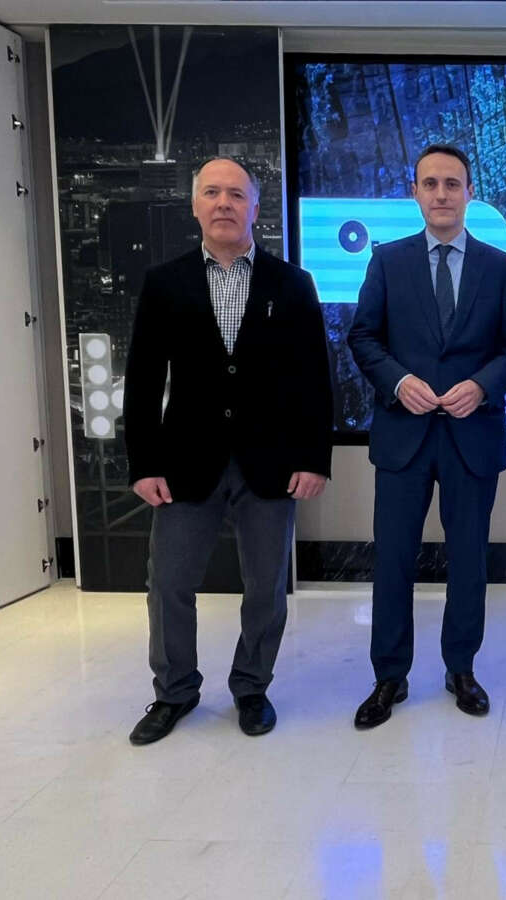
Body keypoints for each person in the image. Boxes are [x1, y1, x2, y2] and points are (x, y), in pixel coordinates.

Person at [123, 157, 333, 744]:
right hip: (185, 462)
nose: (223, 203)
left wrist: (315, 458)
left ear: (254, 209)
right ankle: (174, 693)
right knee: (168, 584)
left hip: (272, 464)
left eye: (235, 194)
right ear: (195, 206)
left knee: (265, 587)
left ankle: (251, 687)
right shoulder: (165, 283)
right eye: (211, 193)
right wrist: (143, 465)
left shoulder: (292, 283)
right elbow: (141, 380)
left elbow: (315, 377)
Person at [347, 143, 506, 728]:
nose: (443, 194)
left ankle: (461, 668)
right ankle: (389, 677)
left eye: (453, 184)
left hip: (471, 437)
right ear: (416, 193)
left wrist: (481, 386)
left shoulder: (499, 267)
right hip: (403, 436)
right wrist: (398, 382)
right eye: (431, 184)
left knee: (469, 559)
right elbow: (363, 337)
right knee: (394, 560)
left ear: (470, 192)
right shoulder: (387, 260)